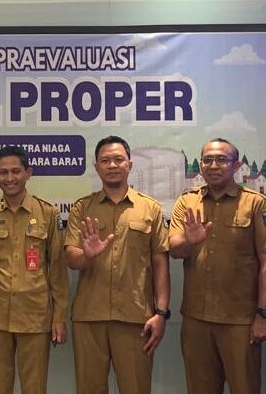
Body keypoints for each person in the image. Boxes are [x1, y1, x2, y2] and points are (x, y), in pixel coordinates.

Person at [168, 138, 266, 394]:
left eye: (221, 159)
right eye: (207, 160)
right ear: (201, 165)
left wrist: (264, 315)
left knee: (245, 388)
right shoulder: (187, 202)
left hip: (240, 321)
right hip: (196, 319)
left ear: (236, 165)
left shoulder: (255, 203)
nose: (213, 165)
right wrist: (189, 241)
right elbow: (174, 250)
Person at [0, 145, 69, 394]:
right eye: (3, 172)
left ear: (28, 172)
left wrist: (59, 317)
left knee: (35, 388)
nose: (10, 178)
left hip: (35, 317)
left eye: (16, 171)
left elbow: (58, 271)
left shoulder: (47, 213)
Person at [65, 135, 170, 394]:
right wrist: (88, 255)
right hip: (90, 317)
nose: (112, 165)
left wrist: (161, 313)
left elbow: (160, 263)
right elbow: (71, 260)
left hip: (135, 319)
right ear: (96, 167)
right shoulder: (82, 208)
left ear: (129, 164)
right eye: (105, 161)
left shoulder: (150, 208)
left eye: (118, 159)